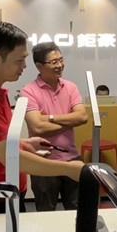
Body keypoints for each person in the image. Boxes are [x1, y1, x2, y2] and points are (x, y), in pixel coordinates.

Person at [0, 22, 84, 215]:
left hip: (6, 196)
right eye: (19, 60)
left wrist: (23, 144)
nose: (24, 66)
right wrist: (68, 169)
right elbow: (10, 156)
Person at [20, 42, 88, 211]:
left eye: (61, 60)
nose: (59, 65)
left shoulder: (70, 87)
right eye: (53, 62)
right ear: (39, 66)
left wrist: (48, 118)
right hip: (42, 161)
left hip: (71, 158)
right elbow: (38, 128)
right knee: (45, 211)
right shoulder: (28, 91)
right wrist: (70, 122)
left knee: (78, 211)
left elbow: (82, 116)